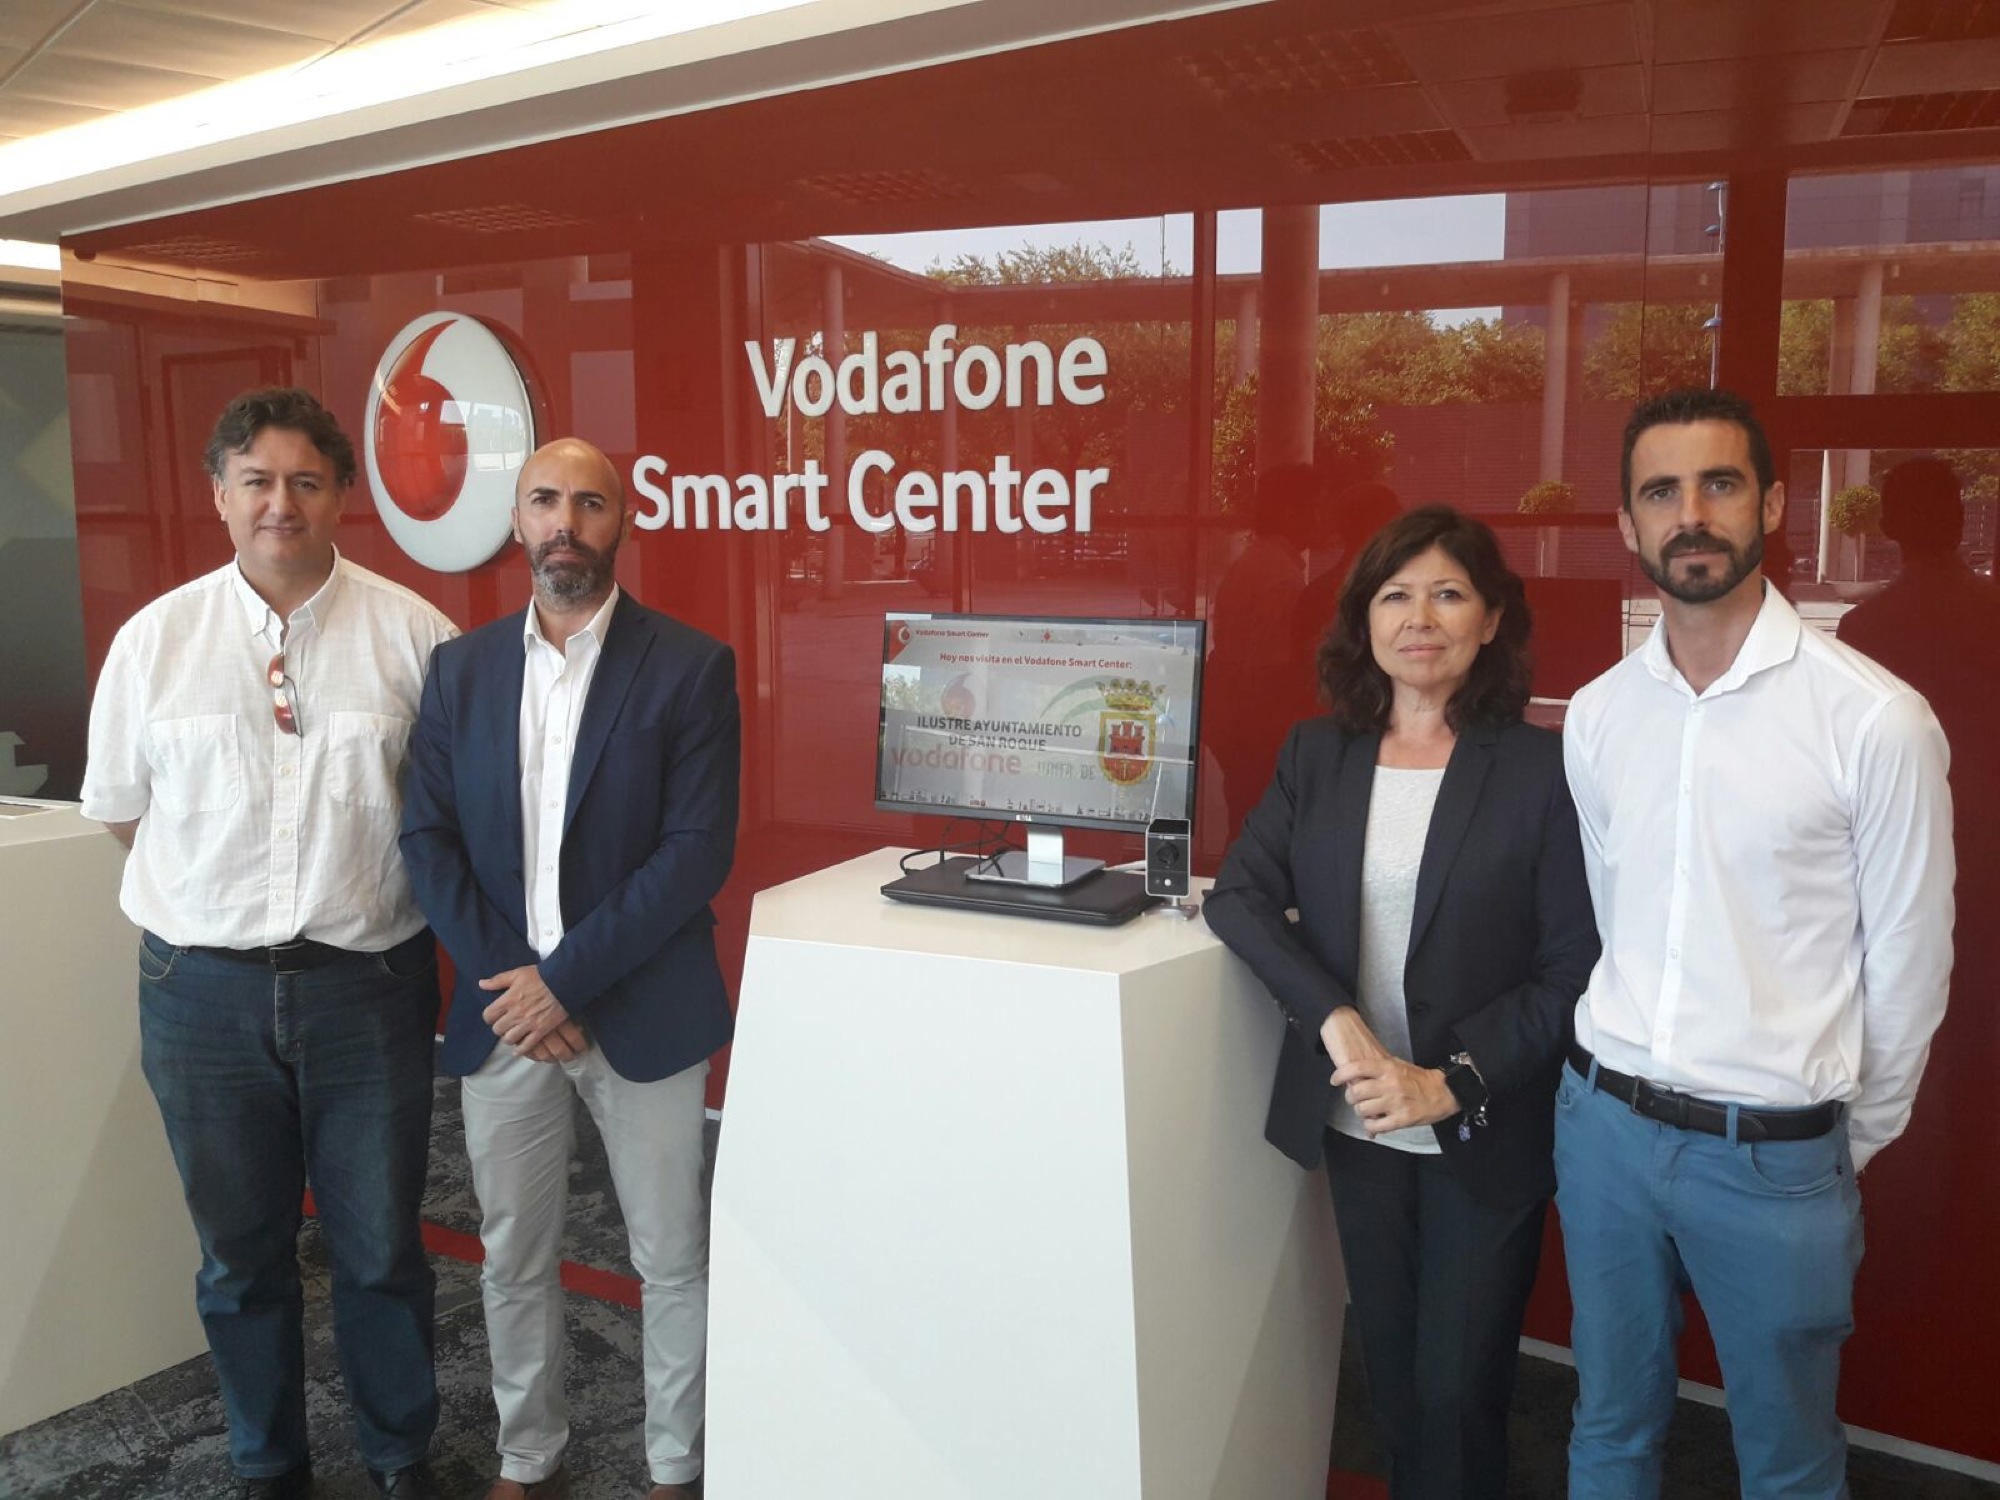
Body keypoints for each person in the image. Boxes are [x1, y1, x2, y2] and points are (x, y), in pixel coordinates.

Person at [1559, 390, 1955, 1498]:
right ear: (1627, 525)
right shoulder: (1597, 714)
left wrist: (1831, 1143)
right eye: (1660, 492)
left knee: (1786, 1463)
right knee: (1606, 1428)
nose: (1690, 515)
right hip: (1602, 1132)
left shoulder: (1872, 719)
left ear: (1772, 505)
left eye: (1718, 484)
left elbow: (1910, 963)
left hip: (1774, 1157)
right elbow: (1615, 913)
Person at [78, 387, 455, 1499]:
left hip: (367, 987)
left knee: (380, 1246)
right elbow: (122, 811)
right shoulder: (156, 643)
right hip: (201, 995)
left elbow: (447, 815)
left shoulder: (416, 636)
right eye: (256, 481)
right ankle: (266, 1462)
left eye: (304, 481)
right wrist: (218, 905)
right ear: (220, 495)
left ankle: (398, 1456)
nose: (279, 503)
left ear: (340, 496)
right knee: (240, 1256)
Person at [1205, 505, 1598, 1500]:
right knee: (1389, 1380)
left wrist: (1449, 1080)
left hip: (1482, 1127)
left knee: (1458, 1391)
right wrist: (1332, 1017)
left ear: (1491, 619)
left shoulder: (1540, 770)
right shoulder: (1317, 754)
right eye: (1393, 595)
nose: (1418, 618)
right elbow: (1239, 897)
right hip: (1360, 1125)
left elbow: (1572, 969)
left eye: (1447, 593)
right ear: (1363, 620)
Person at [400, 437, 740, 1500]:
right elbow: (427, 840)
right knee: (512, 1255)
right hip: (507, 1015)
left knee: (670, 1257)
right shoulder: (460, 671)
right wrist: (521, 985)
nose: (565, 523)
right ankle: (528, 1456)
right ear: (517, 521)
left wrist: (567, 981)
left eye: (589, 504)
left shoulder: (689, 666)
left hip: (641, 1010)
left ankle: (676, 1465)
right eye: (544, 500)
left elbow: (695, 853)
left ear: (621, 522)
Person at [1206, 462, 1327, 842]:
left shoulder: (1253, 564)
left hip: (1236, 723)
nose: (1321, 518)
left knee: (1244, 824)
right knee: (1261, 832)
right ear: (1291, 511)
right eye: (1315, 507)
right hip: (1257, 731)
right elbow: (1271, 670)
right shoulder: (1281, 579)